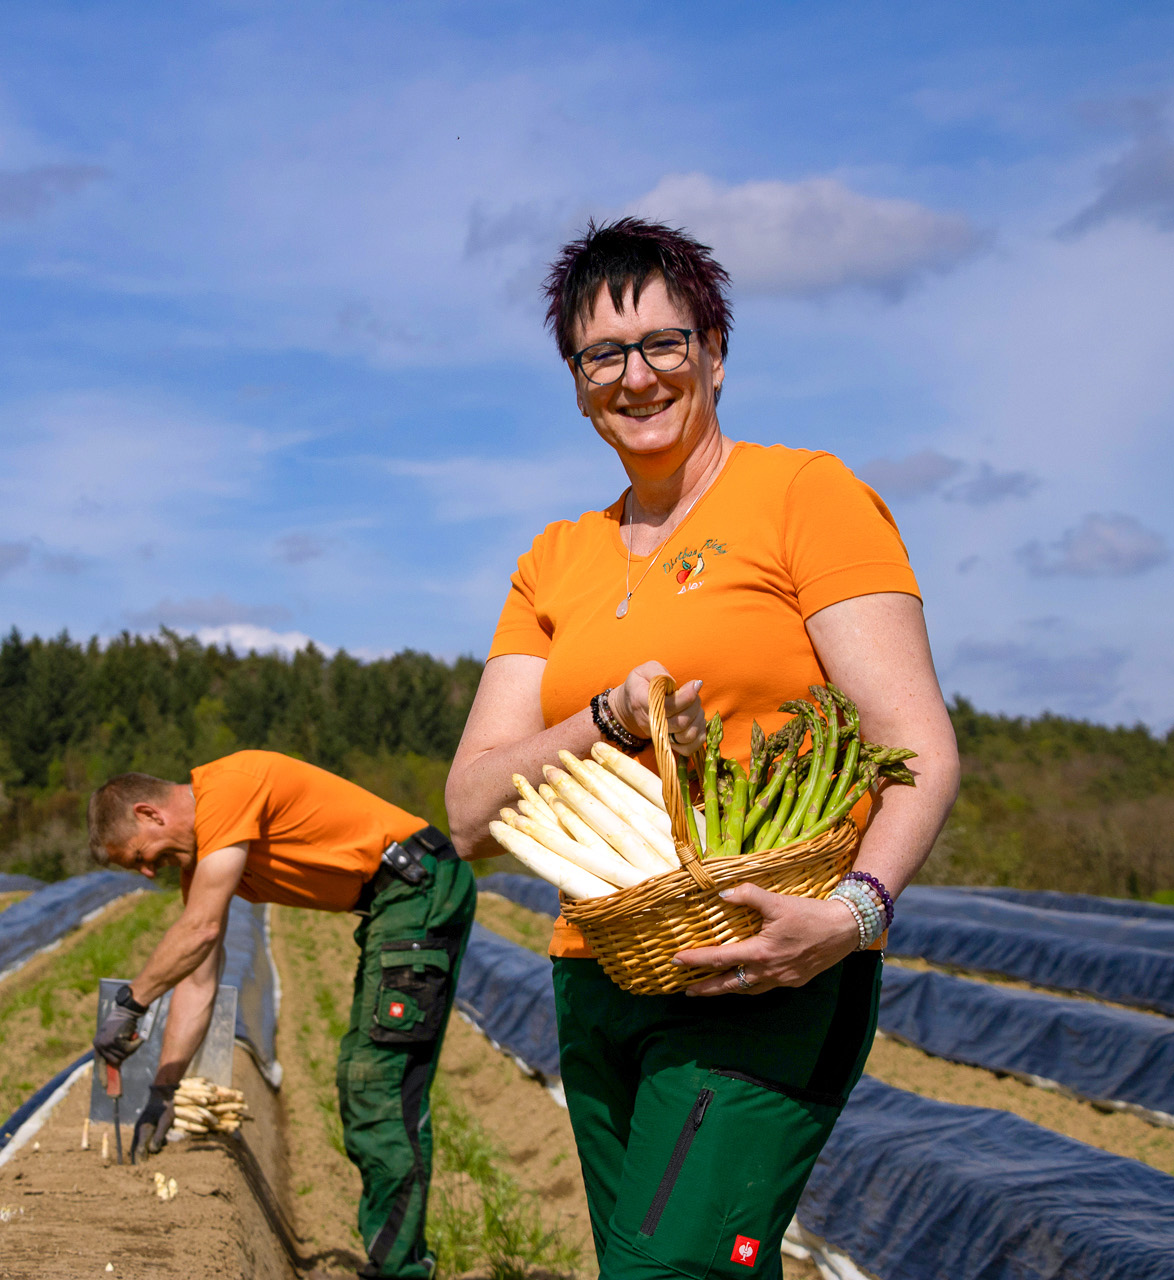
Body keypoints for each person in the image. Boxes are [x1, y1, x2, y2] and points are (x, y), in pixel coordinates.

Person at [444, 218, 960, 1278]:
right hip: (600, 970)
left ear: (715, 352)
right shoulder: (556, 558)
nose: (636, 376)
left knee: (673, 1270)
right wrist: (609, 718)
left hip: (766, 968)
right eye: (603, 355)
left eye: (664, 344)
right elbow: (470, 811)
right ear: (576, 383)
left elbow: (919, 746)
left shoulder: (803, 495)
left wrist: (851, 913)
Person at [88, 748, 476, 1280]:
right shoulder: (206, 856)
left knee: (376, 1082)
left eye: (140, 855)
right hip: (394, 900)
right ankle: (397, 1261)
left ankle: (400, 1270)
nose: (149, 869)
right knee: (363, 1078)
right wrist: (163, 1089)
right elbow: (199, 979)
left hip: (418, 887)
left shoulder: (226, 786)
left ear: (148, 815)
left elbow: (199, 931)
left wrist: (132, 1001)